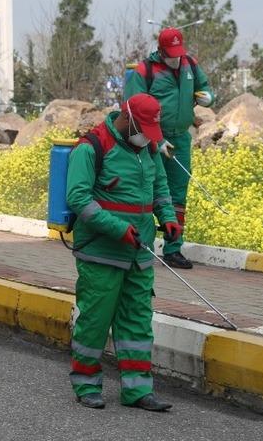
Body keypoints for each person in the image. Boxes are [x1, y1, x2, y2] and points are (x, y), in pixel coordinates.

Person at [66, 93, 182, 411]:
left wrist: (168, 218)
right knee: (95, 321)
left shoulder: (149, 149)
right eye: (142, 129)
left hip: (139, 254)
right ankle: (86, 384)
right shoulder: (91, 148)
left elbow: (160, 187)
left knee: (137, 322)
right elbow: (78, 199)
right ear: (127, 118)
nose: (147, 137)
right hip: (101, 252)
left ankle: (137, 390)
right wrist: (118, 229)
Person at [123, 27, 214, 269]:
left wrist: (208, 97)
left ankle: (173, 248)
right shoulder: (145, 71)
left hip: (181, 139)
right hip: (151, 140)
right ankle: (141, 246)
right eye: (171, 54)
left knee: (178, 194)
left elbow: (205, 87)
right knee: (146, 190)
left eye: (178, 53)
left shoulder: (190, 65)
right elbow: (132, 108)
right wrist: (156, 140)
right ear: (161, 50)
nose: (175, 59)